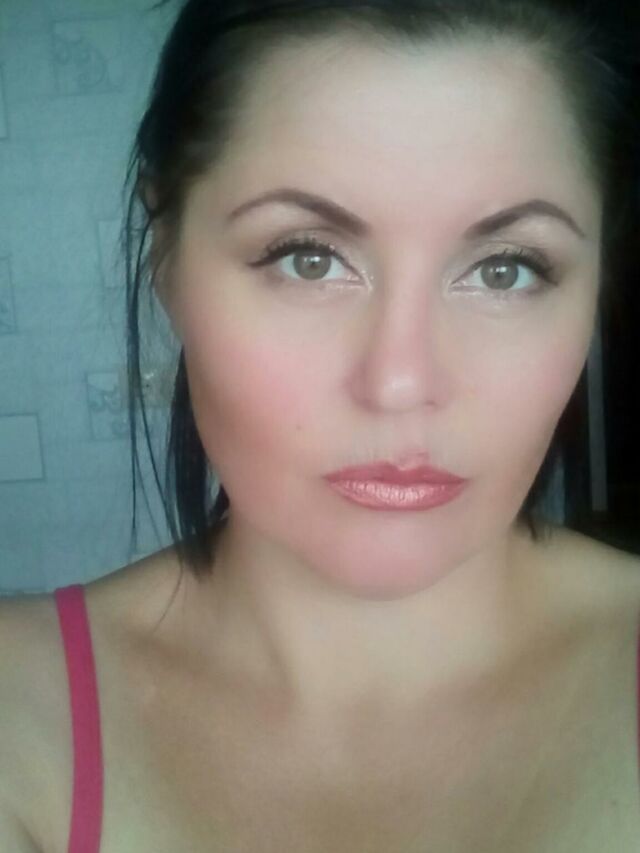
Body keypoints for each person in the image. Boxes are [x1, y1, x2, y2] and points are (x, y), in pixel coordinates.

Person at [2, 1, 640, 850]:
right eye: (308, 257)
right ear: (166, 257)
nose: (402, 382)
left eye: (506, 269)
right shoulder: (19, 715)